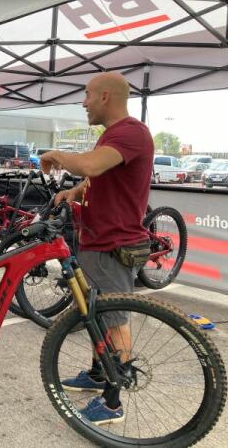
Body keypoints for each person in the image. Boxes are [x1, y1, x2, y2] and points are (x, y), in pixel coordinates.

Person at [39, 71, 154, 425]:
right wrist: (76, 192)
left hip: (114, 242)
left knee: (115, 320)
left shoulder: (132, 131)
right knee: (95, 314)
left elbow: (91, 164)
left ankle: (112, 401)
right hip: (96, 239)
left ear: (105, 96)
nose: (83, 102)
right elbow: (97, 176)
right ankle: (97, 373)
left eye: (87, 95)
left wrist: (56, 154)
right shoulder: (113, 135)